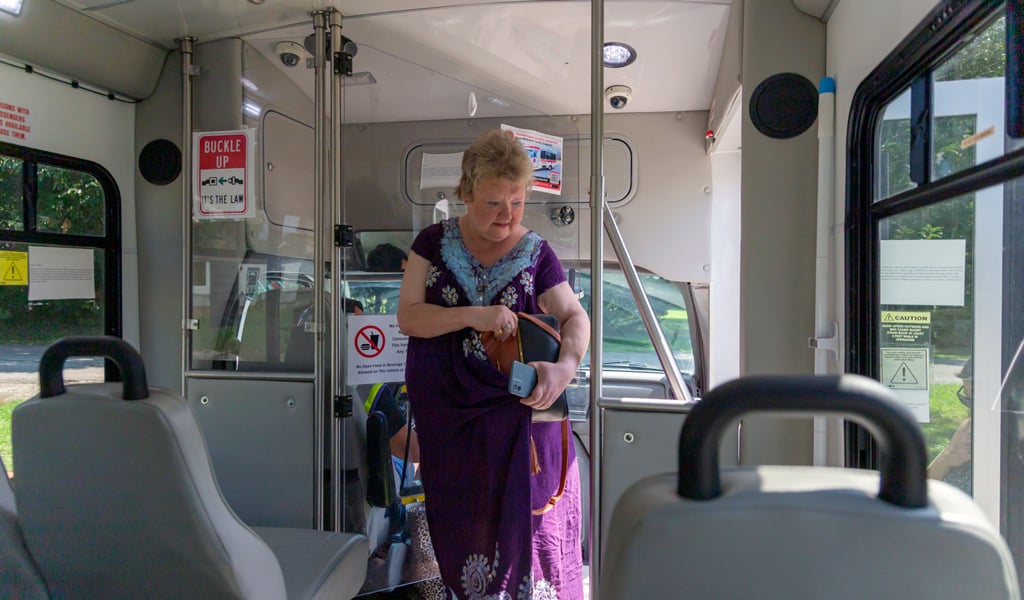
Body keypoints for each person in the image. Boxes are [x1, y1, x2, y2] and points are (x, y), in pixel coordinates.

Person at [397, 128, 589, 599]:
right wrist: (474, 316)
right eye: (492, 204)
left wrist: (564, 369)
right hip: (452, 422)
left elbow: (574, 317)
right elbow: (409, 318)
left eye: (517, 203)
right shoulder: (431, 242)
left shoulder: (537, 253)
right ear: (465, 192)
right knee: (464, 533)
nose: (506, 217)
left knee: (534, 534)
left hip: (521, 416)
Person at [928, 358, 973, 494]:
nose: (971, 408)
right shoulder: (969, 429)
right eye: (966, 398)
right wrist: (949, 456)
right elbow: (919, 489)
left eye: (976, 399)